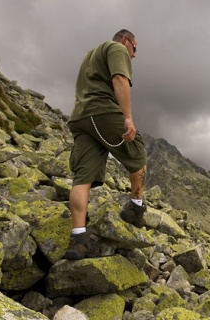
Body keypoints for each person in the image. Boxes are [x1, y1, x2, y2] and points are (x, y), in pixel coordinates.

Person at [65, 29, 147, 260]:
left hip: (81, 117)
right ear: (125, 40)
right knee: (137, 154)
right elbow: (120, 79)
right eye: (135, 48)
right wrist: (127, 116)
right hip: (101, 111)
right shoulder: (116, 48)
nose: (134, 55)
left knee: (83, 175)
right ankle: (136, 207)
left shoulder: (90, 55)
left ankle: (78, 238)